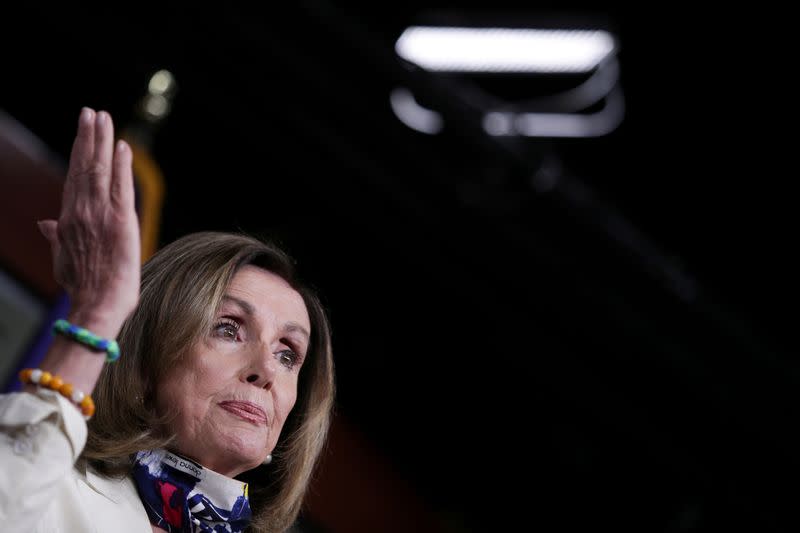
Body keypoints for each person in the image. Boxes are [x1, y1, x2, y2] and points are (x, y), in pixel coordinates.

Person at [0, 107, 335, 532]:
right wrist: (97, 313)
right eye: (228, 328)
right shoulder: (52, 493)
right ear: (147, 359)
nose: (266, 370)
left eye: (288, 355)